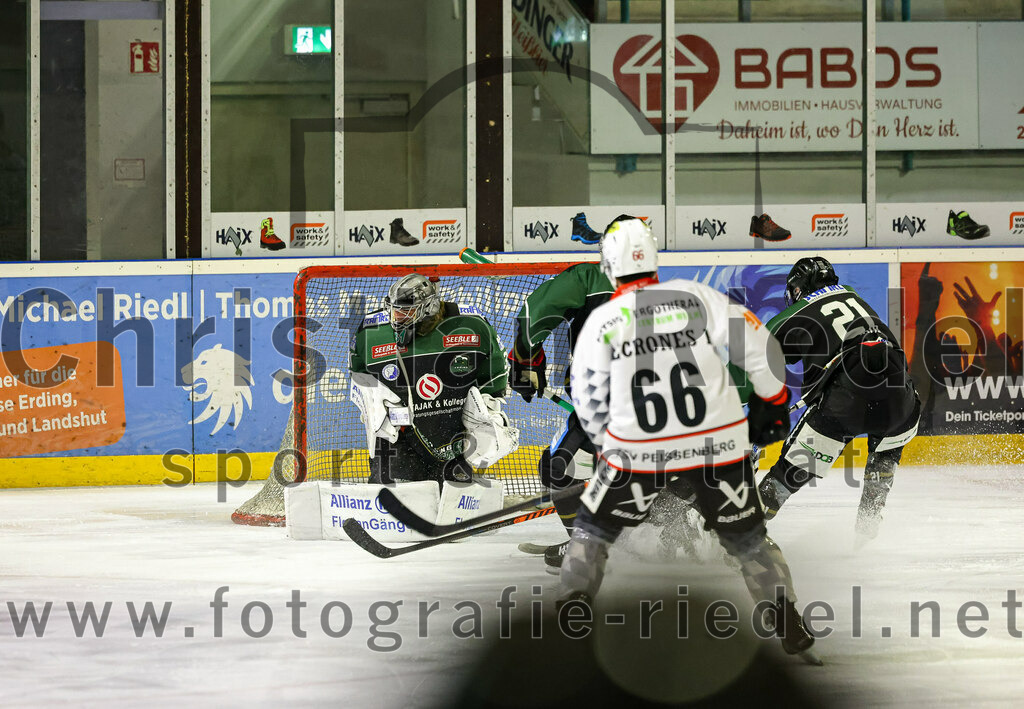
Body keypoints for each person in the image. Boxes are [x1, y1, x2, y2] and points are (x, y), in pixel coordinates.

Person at [559, 217, 816, 658]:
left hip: (640, 452)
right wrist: (771, 402)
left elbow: (589, 404)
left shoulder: (602, 322)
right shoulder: (693, 297)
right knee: (749, 540)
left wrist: (612, 452)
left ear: (609, 265)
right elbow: (760, 348)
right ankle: (786, 618)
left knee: (591, 533)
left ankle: (573, 611)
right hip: (719, 445)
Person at [757, 257, 921, 545]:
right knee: (886, 454)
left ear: (799, 288)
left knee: (785, 478)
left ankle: (740, 535)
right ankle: (868, 526)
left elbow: (755, 361)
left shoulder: (796, 312)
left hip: (844, 402)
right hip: (899, 397)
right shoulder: (854, 297)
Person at [350, 273, 518, 487]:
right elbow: (358, 375)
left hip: (453, 443)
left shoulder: (472, 325)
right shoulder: (371, 331)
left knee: (454, 503)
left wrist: (490, 409)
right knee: (393, 500)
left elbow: (495, 373)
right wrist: (372, 402)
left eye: (406, 311)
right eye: (394, 310)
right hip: (397, 441)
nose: (397, 317)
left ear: (428, 307)